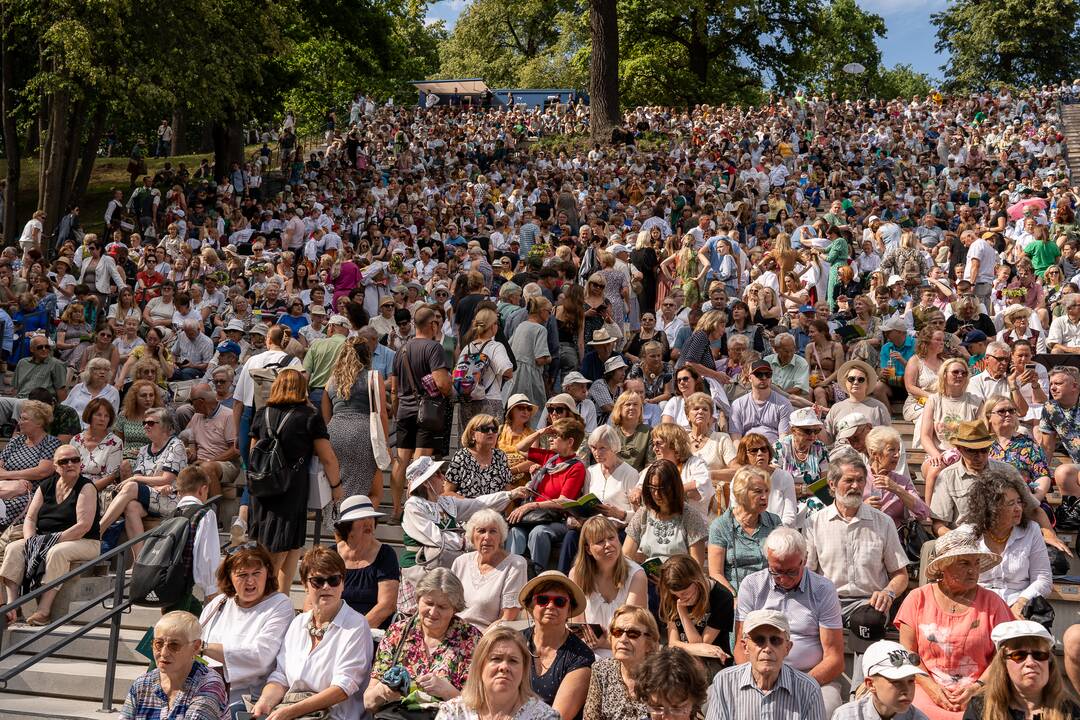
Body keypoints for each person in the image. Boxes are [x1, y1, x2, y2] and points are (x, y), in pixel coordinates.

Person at [894, 527, 1012, 720]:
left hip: (981, 690)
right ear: (943, 566)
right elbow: (907, 653)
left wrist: (977, 687)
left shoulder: (993, 603)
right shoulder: (917, 599)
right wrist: (930, 687)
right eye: (964, 563)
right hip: (924, 686)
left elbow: (1004, 655)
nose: (973, 570)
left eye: (976, 563)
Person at [252, 546, 373, 720]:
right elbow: (281, 677)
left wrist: (290, 712)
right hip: (291, 708)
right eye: (318, 581)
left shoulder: (356, 626)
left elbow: (342, 689)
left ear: (343, 583)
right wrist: (266, 702)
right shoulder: (298, 623)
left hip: (335, 715)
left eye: (334, 580)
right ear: (305, 585)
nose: (326, 587)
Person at [734, 527, 845, 716]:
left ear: (805, 559)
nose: (783, 579)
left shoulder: (823, 589)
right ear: (767, 560)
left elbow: (834, 658)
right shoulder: (752, 585)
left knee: (827, 708)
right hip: (759, 673)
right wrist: (757, 682)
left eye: (792, 572)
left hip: (810, 675)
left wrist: (800, 685)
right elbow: (740, 646)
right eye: (776, 572)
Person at [249, 368, 342, 591]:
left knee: (287, 547)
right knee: (283, 549)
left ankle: (281, 601)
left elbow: (253, 452)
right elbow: (328, 457)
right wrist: (336, 487)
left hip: (263, 488)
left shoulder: (262, 413)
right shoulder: (309, 416)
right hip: (291, 490)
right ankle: (268, 599)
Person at [805, 456, 910, 643]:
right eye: (849, 480)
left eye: (860, 480)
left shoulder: (883, 522)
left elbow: (901, 575)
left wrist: (888, 593)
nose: (856, 486)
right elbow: (807, 572)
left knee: (869, 622)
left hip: (869, 603)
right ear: (832, 484)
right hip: (828, 600)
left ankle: (862, 672)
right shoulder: (815, 522)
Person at [0, 445, 99, 625]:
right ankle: (12, 607)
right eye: (64, 461)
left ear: (80, 463)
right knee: (14, 548)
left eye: (75, 460)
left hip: (84, 541)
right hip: (46, 539)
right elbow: (30, 518)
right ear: (55, 466)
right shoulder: (46, 486)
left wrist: (50, 541)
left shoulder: (86, 487)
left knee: (57, 552)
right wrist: (31, 541)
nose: (70, 464)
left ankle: (44, 610)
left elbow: (83, 526)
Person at [198, 542, 295, 715]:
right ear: (229, 577)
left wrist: (203, 647)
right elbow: (195, 649)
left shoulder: (280, 604)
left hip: (247, 700)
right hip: (204, 690)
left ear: (267, 572)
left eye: (256, 573)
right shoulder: (217, 604)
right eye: (242, 575)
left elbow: (260, 657)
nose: (250, 581)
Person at [365, 568, 481, 713]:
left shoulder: (471, 639)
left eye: (442, 607)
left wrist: (447, 692)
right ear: (418, 599)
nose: (433, 612)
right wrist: (384, 691)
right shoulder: (398, 632)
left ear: (455, 609)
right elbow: (368, 702)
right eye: (429, 603)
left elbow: (478, 707)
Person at [401, 455, 526, 584]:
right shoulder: (413, 506)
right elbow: (436, 537)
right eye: (438, 474)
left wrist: (509, 495)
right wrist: (468, 542)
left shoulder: (444, 502)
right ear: (426, 482)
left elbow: (477, 504)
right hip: (419, 570)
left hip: (444, 566)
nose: (443, 477)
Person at [705, 609, 827, 720]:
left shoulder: (808, 689)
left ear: (787, 648)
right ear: (745, 646)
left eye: (775, 640)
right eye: (759, 640)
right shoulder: (724, 682)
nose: (767, 648)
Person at [964, 468, 1053, 619]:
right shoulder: (968, 533)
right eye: (1010, 503)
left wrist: (1022, 602)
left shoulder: (1031, 530)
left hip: (1019, 603)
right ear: (991, 508)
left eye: (1019, 502)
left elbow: (1043, 578)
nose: (1018, 508)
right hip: (977, 606)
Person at [391, 305, 453, 521]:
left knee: (401, 461)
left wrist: (396, 409)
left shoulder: (402, 349)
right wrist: (451, 386)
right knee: (420, 463)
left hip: (404, 411)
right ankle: (412, 510)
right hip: (426, 412)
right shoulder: (434, 348)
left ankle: (396, 509)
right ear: (433, 324)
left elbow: (393, 387)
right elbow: (442, 383)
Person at [507, 418, 587, 577]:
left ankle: (538, 576)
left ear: (570, 441)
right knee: (515, 531)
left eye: (556, 435)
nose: (550, 438)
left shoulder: (576, 467)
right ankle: (512, 574)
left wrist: (532, 506)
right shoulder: (550, 458)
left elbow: (563, 501)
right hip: (534, 517)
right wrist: (540, 432)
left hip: (556, 519)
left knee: (539, 532)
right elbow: (520, 448)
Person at [434, 625, 560, 720]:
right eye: (496, 659)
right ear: (480, 666)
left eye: (513, 661)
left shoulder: (543, 716)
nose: (504, 667)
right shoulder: (453, 712)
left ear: (524, 669)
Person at [322, 336, 388, 514]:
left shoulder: (331, 381)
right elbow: (381, 413)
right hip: (364, 432)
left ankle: (339, 525)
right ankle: (356, 521)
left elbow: (326, 415)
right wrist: (386, 444)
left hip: (335, 433)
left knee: (338, 485)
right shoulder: (373, 377)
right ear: (367, 356)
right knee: (372, 490)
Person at [560, 426, 639, 573]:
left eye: (602, 448)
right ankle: (562, 580)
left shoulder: (630, 473)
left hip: (617, 529)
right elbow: (586, 501)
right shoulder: (591, 471)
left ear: (614, 448)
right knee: (571, 536)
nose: (597, 453)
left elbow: (639, 516)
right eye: (593, 448)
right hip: (592, 527)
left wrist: (619, 514)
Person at [120, 611, 228, 719]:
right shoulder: (142, 684)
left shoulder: (209, 685)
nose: (164, 653)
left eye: (174, 645)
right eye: (158, 643)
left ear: (195, 647)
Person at [963, 620, 1080, 720]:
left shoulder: (1070, 712)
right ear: (1003, 665)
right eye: (1019, 655)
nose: (1030, 662)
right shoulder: (980, 708)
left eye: (1039, 655)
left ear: (1049, 664)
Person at [518, 570, 595, 720]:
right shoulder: (514, 642)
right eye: (543, 600)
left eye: (560, 602)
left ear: (569, 609)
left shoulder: (581, 656)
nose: (551, 606)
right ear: (531, 605)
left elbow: (558, 717)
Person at [568, 516, 648, 657]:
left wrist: (602, 643)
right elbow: (579, 629)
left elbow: (631, 631)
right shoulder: (577, 575)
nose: (608, 544)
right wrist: (593, 642)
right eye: (600, 541)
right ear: (588, 549)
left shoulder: (636, 576)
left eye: (611, 538)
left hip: (627, 653)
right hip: (588, 651)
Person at [930, 420, 1021, 536]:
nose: (979, 456)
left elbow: (1033, 509)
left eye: (984, 450)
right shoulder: (947, 477)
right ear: (959, 449)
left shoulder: (1008, 471)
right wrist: (959, 541)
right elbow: (938, 525)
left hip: (1006, 539)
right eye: (972, 451)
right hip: (965, 540)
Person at [708, 466, 781, 596]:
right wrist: (733, 597)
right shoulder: (720, 526)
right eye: (758, 491)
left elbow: (783, 563)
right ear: (741, 493)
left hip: (772, 595)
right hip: (735, 596)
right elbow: (715, 573)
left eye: (766, 491)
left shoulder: (774, 522)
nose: (764, 497)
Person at [451, 508, 528, 631]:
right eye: (481, 531)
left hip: (488, 636)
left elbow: (508, 617)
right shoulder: (461, 562)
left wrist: (479, 641)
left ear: (501, 537)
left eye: (493, 531)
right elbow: (449, 605)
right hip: (454, 632)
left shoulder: (515, 564)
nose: (487, 537)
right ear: (472, 536)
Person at [624, 459, 708, 568]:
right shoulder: (643, 513)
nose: (657, 494)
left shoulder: (690, 516)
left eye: (662, 488)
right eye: (653, 488)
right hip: (646, 581)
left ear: (674, 487)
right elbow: (626, 556)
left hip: (680, 581)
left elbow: (696, 566)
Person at [920, 358, 983, 500]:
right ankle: (929, 513)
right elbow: (925, 436)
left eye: (964, 373)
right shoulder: (934, 400)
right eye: (955, 372)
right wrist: (936, 454)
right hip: (938, 453)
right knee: (935, 469)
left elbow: (980, 434)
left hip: (967, 454)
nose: (960, 375)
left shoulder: (975, 401)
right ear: (944, 374)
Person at [335, 495, 400, 631]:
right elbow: (313, 599)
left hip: (371, 631)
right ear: (347, 527)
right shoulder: (332, 556)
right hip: (334, 627)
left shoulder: (386, 555)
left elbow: (387, 605)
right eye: (361, 519)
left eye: (370, 517)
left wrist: (356, 631)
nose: (368, 522)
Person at [582, 606, 659, 720]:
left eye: (633, 633)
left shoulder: (662, 675)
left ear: (649, 643)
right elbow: (590, 717)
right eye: (617, 632)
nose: (623, 639)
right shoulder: (602, 670)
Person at [658, 553, 734, 669]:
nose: (681, 598)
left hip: (712, 661)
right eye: (676, 594)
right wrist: (680, 608)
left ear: (696, 581)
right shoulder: (672, 597)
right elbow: (672, 643)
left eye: (685, 593)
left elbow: (700, 646)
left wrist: (683, 613)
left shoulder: (722, 597)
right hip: (680, 658)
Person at [0, 401, 63, 537]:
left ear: (39, 423)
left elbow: (42, 471)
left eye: (24, 419)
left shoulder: (51, 443)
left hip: (34, 492)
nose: (19, 422)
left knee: (11, 504)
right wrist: (17, 480)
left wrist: (7, 474)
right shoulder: (16, 441)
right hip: (7, 487)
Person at [834, 640, 929, 720]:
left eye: (911, 681)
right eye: (896, 682)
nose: (907, 690)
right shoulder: (846, 716)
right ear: (870, 684)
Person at [983, 395, 1053, 502]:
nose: (1008, 414)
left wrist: (1035, 499)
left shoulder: (1027, 443)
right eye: (1001, 411)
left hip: (1025, 499)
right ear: (989, 417)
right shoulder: (982, 444)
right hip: (991, 500)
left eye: (1011, 411)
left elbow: (1042, 475)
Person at [864, 427, 930, 528]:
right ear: (874, 454)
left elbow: (923, 513)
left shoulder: (902, 482)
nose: (897, 455)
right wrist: (862, 508)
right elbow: (843, 509)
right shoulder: (858, 478)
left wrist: (897, 489)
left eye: (898, 450)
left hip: (893, 538)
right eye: (891, 450)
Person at [728, 433, 798, 527]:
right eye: (754, 450)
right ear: (744, 455)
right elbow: (736, 512)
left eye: (764, 449)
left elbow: (790, 515)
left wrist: (777, 531)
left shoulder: (784, 477)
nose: (760, 453)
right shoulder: (738, 480)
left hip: (779, 532)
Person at [646, 423, 713, 518]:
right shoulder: (655, 467)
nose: (654, 449)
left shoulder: (695, 463)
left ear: (674, 445)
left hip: (692, 525)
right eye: (653, 444)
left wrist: (672, 489)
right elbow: (641, 487)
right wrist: (637, 490)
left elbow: (702, 486)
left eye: (658, 443)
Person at [505, 297, 553, 419]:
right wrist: (549, 359)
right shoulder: (540, 329)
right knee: (534, 412)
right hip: (530, 377)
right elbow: (540, 358)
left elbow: (509, 348)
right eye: (549, 311)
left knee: (515, 408)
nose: (550, 314)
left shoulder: (521, 325)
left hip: (515, 375)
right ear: (541, 311)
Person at [445, 414, 513, 498]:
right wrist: (473, 504)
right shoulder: (461, 456)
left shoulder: (500, 456)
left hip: (495, 510)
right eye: (485, 429)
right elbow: (447, 493)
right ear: (473, 434)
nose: (491, 432)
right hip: (468, 509)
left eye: (494, 429)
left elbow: (508, 493)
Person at [727, 360, 793, 443]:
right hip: (748, 451)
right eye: (759, 374)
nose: (764, 378)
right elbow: (736, 438)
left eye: (768, 374)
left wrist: (775, 455)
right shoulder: (738, 404)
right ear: (750, 378)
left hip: (774, 451)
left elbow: (784, 437)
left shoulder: (783, 403)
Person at [71, 397, 124, 493]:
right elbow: (68, 468)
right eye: (98, 415)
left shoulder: (115, 442)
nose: (102, 419)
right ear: (90, 415)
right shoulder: (76, 440)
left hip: (101, 489)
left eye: (106, 416)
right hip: (74, 486)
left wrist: (86, 490)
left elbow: (110, 477)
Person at [62, 358, 121, 423]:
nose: (102, 372)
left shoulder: (113, 392)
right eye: (98, 368)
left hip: (97, 430)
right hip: (72, 426)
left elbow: (113, 418)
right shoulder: (78, 387)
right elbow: (65, 407)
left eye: (106, 369)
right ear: (89, 371)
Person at [608, 391, 652, 471]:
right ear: (619, 408)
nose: (632, 407)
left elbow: (650, 464)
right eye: (628, 404)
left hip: (638, 479)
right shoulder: (611, 433)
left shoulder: (649, 432)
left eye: (635, 404)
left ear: (640, 408)